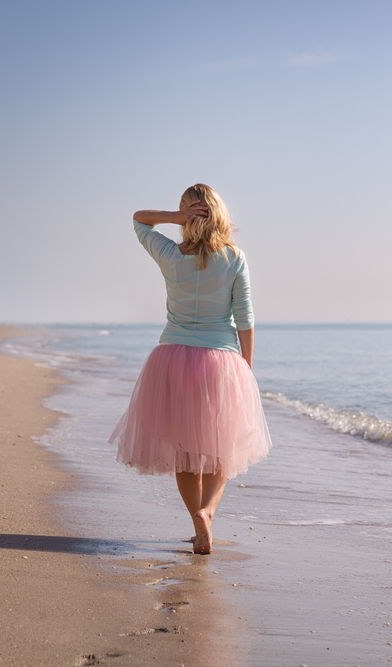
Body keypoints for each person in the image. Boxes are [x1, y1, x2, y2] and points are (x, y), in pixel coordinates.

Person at [109, 183, 271, 554]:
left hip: (173, 358)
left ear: (189, 215)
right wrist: (246, 364)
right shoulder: (233, 257)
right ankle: (207, 512)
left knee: (184, 450)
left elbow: (139, 221)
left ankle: (196, 522)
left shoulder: (170, 254)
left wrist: (173, 218)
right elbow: (245, 317)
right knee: (219, 450)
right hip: (221, 361)